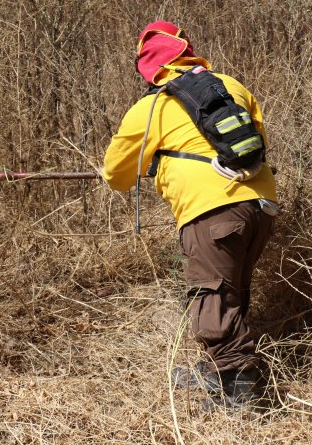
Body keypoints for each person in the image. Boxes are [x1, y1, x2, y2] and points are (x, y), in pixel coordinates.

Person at [102, 21, 278, 407]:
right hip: (262, 204)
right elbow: (258, 143)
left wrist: (153, 161)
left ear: (149, 66)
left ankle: (240, 399)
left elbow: (116, 176)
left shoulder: (151, 108)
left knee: (212, 300)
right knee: (231, 293)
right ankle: (218, 374)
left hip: (211, 211)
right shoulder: (231, 86)